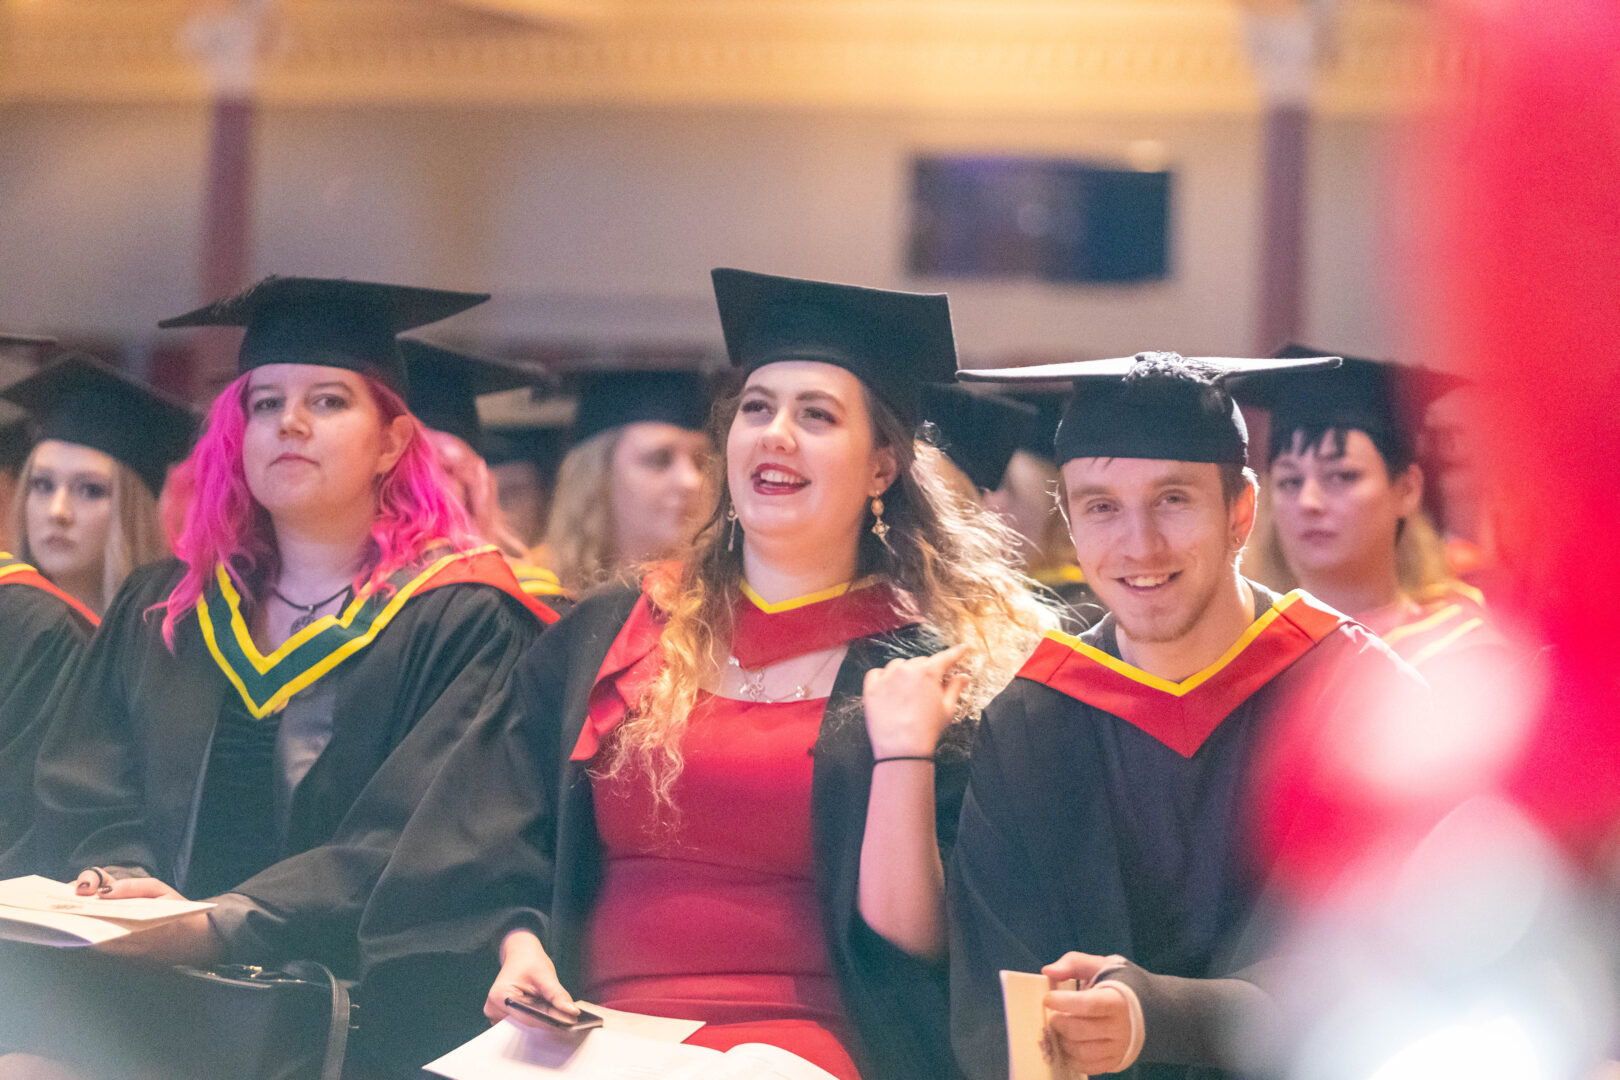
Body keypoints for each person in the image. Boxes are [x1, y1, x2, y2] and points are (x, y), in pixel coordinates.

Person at [356, 269, 1058, 1079]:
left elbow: (922, 943)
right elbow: (487, 832)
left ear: (882, 468)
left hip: (802, 1041)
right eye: (756, 408)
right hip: (592, 1036)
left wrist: (906, 751)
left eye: (817, 416)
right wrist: (518, 951)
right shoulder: (615, 631)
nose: (775, 434)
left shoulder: (929, 665)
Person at [0, 276, 556, 1078]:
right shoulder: (167, 606)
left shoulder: (459, 618)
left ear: (394, 441)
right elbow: (82, 788)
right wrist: (120, 878)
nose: (290, 423)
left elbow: (419, 843)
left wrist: (220, 922)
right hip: (135, 983)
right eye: (264, 403)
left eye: (329, 402)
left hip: (345, 1012)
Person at [948, 351, 1429, 1080]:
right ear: (1071, 527)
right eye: (1102, 506)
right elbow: (997, 1003)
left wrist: (1155, 1016)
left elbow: (1386, 965)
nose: (1140, 545)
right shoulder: (1030, 724)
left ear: (1242, 512)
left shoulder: (1348, 695)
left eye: (1174, 499)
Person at [1233, 345, 1508, 676]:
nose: (1308, 501)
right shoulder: (1236, 652)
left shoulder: (1459, 652)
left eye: (1341, 476)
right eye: (1290, 481)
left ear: (1407, 490)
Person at [3, 353, 192, 616]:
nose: (58, 512)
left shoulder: (166, 647)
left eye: (89, 490)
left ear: (133, 512)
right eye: (43, 485)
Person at [400, 337, 569, 606]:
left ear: (478, 484)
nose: (423, 488)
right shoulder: (339, 603)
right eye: (403, 472)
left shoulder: (526, 605)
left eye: (446, 469)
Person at [539, 368, 712, 591]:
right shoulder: (541, 599)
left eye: (700, 462)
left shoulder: (725, 606)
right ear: (598, 477)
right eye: (660, 460)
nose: (690, 481)